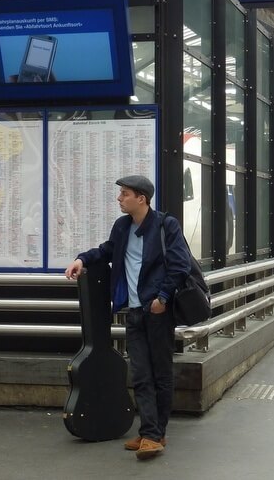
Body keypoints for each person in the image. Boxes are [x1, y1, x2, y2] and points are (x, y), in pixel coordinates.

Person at [64, 175, 191, 460]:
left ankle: (155, 433)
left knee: (160, 372)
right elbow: (107, 251)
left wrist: (163, 298)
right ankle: (151, 432)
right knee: (141, 373)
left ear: (141, 198)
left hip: (158, 311)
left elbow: (180, 265)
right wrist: (82, 259)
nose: (119, 199)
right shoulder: (122, 227)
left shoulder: (165, 225)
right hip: (134, 311)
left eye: (124, 194)